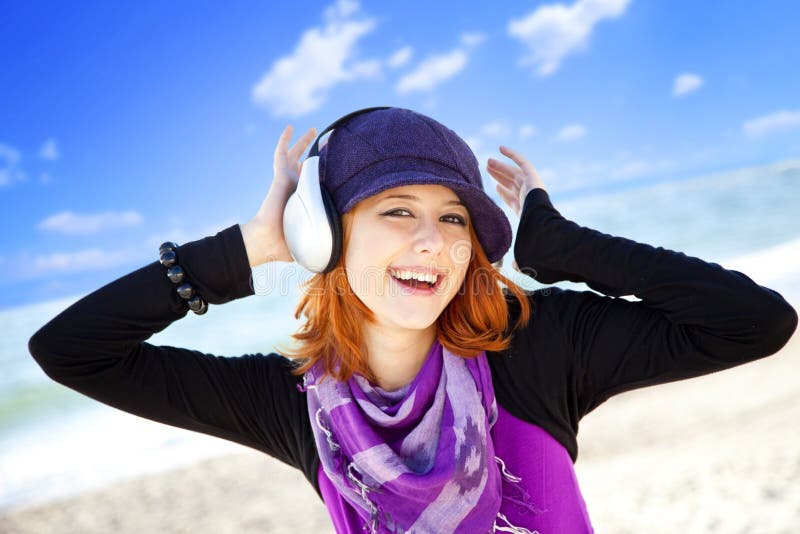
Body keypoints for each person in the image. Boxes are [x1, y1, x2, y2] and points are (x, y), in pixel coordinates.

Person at [28, 107, 797, 533]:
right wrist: (251, 247)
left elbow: (754, 322)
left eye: (455, 218)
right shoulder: (293, 406)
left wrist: (559, 245)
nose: (431, 240)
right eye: (397, 210)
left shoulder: (538, 346)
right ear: (326, 234)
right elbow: (71, 351)